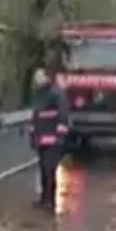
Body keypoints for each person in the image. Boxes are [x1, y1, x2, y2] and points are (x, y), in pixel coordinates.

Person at [29, 67, 70, 212]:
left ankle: (50, 201)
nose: (36, 81)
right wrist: (33, 135)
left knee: (49, 169)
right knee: (43, 170)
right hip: (42, 139)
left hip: (53, 140)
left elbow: (63, 114)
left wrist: (60, 135)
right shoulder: (40, 95)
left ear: (46, 77)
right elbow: (36, 116)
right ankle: (44, 199)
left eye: (39, 77)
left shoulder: (56, 93)